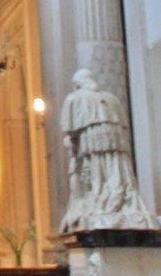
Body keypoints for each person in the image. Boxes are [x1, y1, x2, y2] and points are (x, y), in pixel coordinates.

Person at [60, 68, 156, 231]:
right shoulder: (111, 99)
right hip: (116, 146)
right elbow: (124, 127)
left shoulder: (74, 98)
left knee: (96, 174)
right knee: (115, 171)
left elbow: (69, 129)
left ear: (77, 84)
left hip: (91, 145)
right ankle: (116, 199)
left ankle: (102, 200)